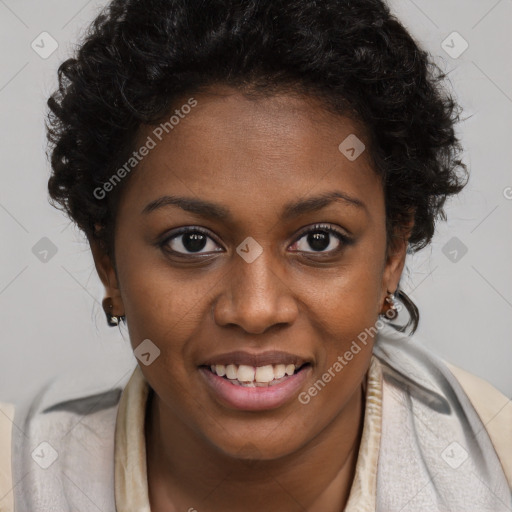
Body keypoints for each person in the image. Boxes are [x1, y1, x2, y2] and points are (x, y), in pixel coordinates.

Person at [1, 0, 511, 510]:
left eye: (318, 240)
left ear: (392, 254)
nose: (255, 309)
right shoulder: (21, 479)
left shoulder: (497, 465)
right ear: (107, 262)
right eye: (192, 242)